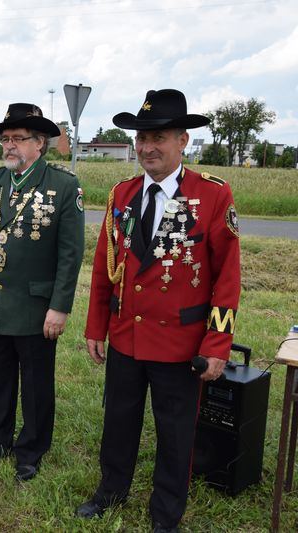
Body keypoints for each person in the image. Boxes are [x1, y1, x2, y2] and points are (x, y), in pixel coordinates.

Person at [76, 89, 241, 532]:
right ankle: (110, 492)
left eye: (159, 137)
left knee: (175, 435)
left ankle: (166, 512)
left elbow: (227, 280)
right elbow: (104, 267)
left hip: (180, 342)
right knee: (119, 423)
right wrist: (96, 327)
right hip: (128, 334)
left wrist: (217, 343)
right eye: (141, 137)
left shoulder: (212, 197)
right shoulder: (123, 194)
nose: (148, 147)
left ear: (183, 141)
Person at [0, 103, 85, 481]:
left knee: (35, 384)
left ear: (40, 143)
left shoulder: (62, 186)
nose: (9, 146)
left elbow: (70, 253)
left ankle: (31, 449)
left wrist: (59, 306)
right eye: (5, 139)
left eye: (18, 139)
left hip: (35, 306)